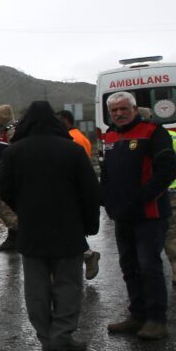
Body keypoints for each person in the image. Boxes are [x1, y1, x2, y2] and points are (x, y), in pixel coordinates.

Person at [0, 101, 101, 351]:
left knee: (36, 287)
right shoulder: (72, 150)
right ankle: (62, 335)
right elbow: (89, 191)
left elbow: (5, 190)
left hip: (32, 229)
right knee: (68, 284)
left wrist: (24, 208)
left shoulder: (13, 152)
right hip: (68, 227)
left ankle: (45, 337)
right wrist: (89, 224)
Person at [100, 91, 176, 341]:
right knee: (129, 266)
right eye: (114, 111)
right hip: (122, 215)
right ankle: (137, 315)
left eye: (124, 109)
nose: (119, 114)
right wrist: (107, 200)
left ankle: (156, 319)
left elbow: (167, 171)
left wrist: (139, 198)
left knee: (149, 266)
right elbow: (106, 173)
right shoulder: (110, 136)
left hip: (149, 213)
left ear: (134, 109)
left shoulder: (153, 132)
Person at [138, 107, 176, 286]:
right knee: (172, 231)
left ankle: (145, 275)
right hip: (170, 193)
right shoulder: (172, 136)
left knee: (144, 233)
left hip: (139, 195)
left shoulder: (125, 139)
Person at [59, 108, 102, 281]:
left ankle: (86, 257)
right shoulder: (79, 136)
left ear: (66, 121)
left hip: (73, 189)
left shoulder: (72, 139)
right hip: (77, 187)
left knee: (70, 230)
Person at [0, 104, 20, 252]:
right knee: (1, 207)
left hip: (8, 174)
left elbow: (15, 153)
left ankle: (17, 236)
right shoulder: (5, 130)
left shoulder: (12, 131)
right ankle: (14, 236)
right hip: (2, 171)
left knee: (5, 207)